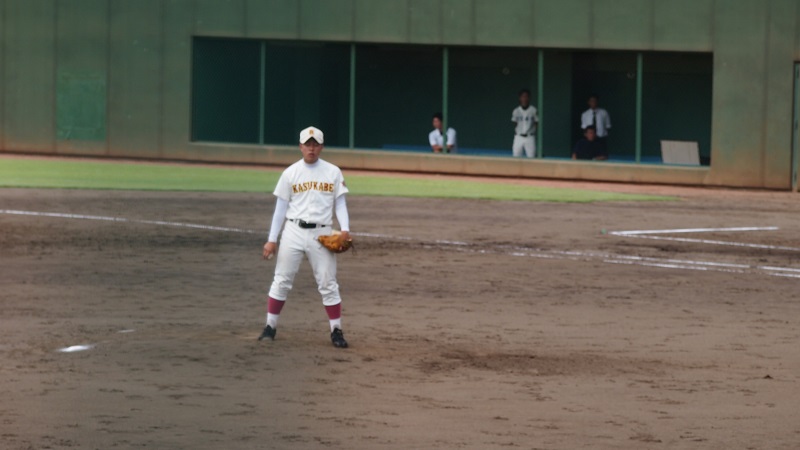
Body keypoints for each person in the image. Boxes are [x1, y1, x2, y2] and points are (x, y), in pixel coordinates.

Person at [259, 126, 351, 348]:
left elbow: (340, 203)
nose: (311, 148)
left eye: (315, 144)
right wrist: (272, 239)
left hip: (322, 232)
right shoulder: (290, 173)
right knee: (282, 280)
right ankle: (270, 326)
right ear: (300, 146)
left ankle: (336, 330)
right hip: (293, 231)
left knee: (328, 282)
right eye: (307, 144)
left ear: (321, 147)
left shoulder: (333, 172)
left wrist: (345, 229)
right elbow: (280, 209)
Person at [511, 89, 539, 158]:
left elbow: (536, 122)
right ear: (520, 98)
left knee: (531, 158)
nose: (524, 99)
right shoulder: (516, 111)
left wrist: (532, 131)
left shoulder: (533, 110)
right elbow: (514, 123)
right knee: (516, 157)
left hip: (530, 137)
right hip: (518, 137)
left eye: (526, 96)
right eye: (523, 97)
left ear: (529, 98)